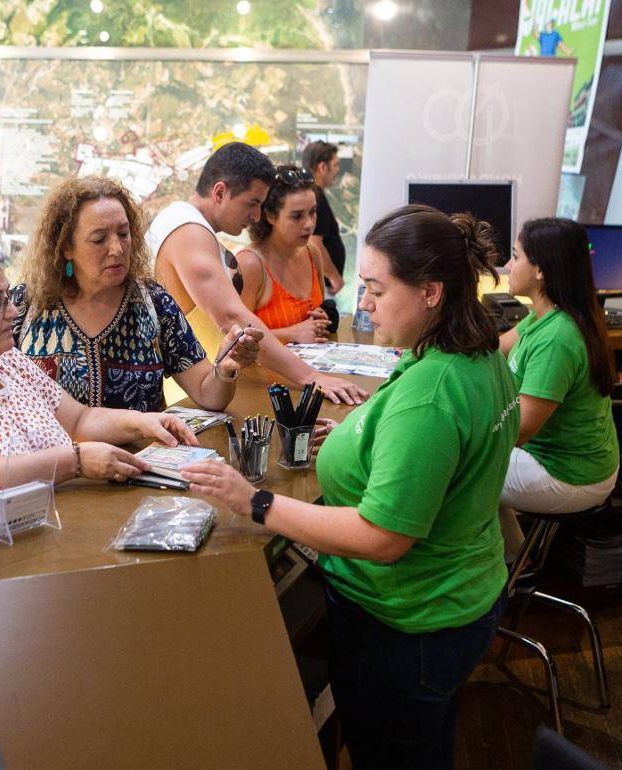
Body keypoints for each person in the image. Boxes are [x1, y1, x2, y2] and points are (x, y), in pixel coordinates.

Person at [183, 204, 519, 769]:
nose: (362, 302)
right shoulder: (478, 356)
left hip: (408, 623)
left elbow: (382, 536)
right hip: (463, 598)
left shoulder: (431, 395)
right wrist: (360, 442)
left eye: (377, 290)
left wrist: (255, 500)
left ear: (432, 292)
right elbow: (435, 457)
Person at [0, 234, 198, 501]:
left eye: (8, 296)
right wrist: (73, 462)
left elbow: (77, 419)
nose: (13, 311)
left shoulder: (5, 359)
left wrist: (144, 423)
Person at [13, 176, 262, 413]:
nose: (117, 248)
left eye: (123, 234)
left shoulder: (154, 303)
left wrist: (225, 369)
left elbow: (207, 394)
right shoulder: (24, 307)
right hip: (54, 458)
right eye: (99, 239)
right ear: (66, 247)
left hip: (140, 457)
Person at [146, 142, 366, 405]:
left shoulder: (189, 225)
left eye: (261, 205)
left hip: (208, 389)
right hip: (191, 396)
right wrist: (310, 376)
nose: (256, 215)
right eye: (251, 203)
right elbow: (231, 317)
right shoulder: (187, 230)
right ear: (219, 192)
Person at [498, 218, 619, 544]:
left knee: (454, 469)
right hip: (561, 460)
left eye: (516, 256)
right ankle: (509, 563)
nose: (508, 266)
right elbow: (494, 349)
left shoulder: (558, 338)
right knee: (463, 458)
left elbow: (519, 430)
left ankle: (502, 571)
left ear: (540, 270)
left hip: (569, 475)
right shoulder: (546, 316)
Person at [233, 165, 331, 344]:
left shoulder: (312, 253)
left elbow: (313, 316)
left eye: (313, 212)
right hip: (260, 372)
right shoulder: (250, 264)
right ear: (270, 216)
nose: (309, 224)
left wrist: (320, 318)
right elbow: (234, 338)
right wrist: (291, 334)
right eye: (297, 216)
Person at [302, 140, 347, 333]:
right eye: (335, 164)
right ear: (322, 167)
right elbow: (315, 243)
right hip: (325, 287)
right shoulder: (315, 196)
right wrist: (334, 277)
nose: (338, 170)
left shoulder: (316, 195)